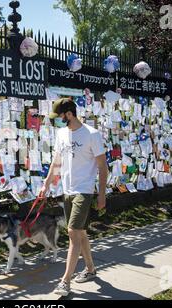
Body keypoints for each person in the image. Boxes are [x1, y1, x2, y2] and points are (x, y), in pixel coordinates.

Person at [40, 98, 108, 296]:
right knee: (81, 233)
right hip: (67, 190)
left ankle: (65, 281)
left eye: (59, 117)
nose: (57, 121)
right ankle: (90, 269)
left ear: (69, 114)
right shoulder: (61, 134)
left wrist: (101, 195)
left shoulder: (91, 134)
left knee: (72, 233)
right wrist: (46, 184)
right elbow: (56, 163)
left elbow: (103, 167)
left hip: (84, 191)